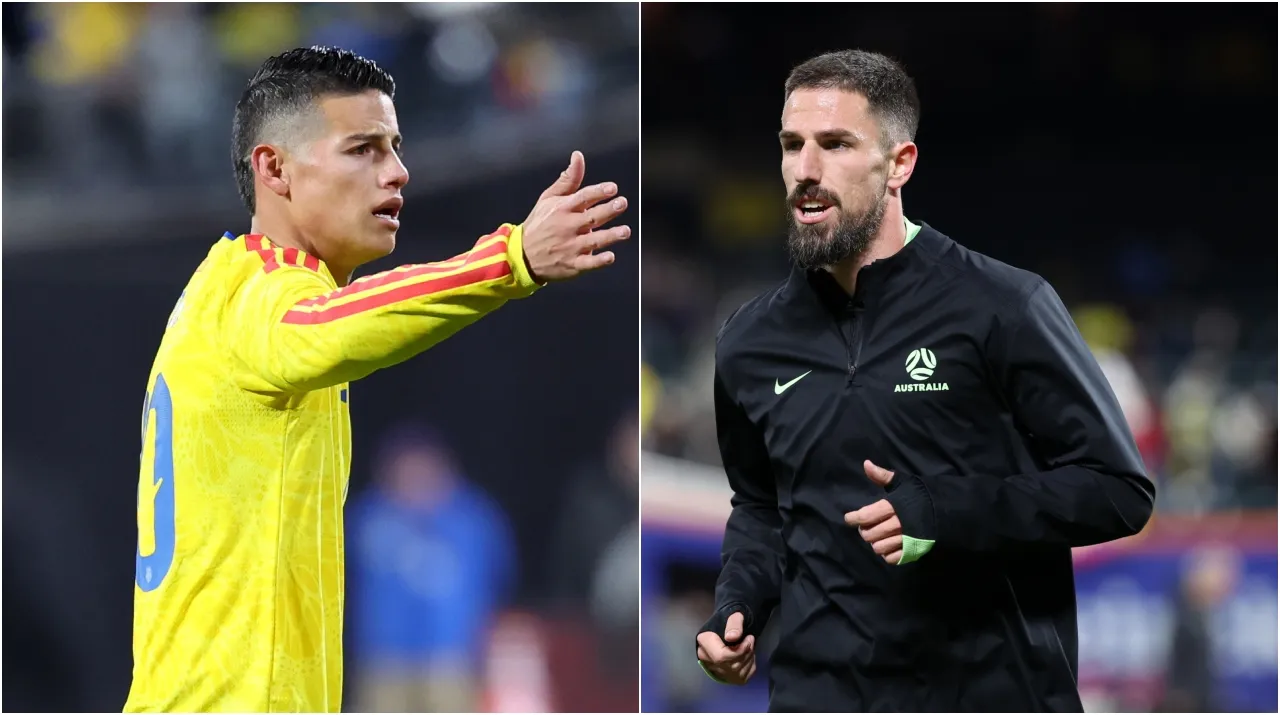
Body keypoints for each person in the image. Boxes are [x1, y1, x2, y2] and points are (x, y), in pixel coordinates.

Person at [124, 46, 629, 713]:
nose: (398, 172)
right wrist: (511, 259)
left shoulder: (221, 290)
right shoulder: (256, 300)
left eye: (394, 147)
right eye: (363, 149)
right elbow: (325, 324)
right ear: (275, 168)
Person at [695, 49, 1154, 712]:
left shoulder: (1002, 305)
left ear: (899, 164)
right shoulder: (748, 340)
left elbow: (1118, 490)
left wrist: (945, 509)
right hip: (817, 695)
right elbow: (761, 508)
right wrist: (737, 603)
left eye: (836, 144)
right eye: (792, 145)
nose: (806, 170)